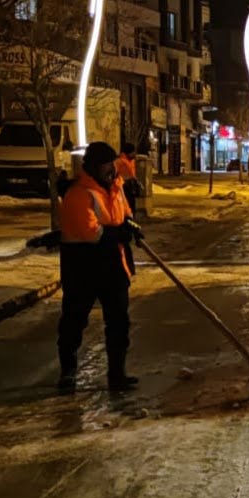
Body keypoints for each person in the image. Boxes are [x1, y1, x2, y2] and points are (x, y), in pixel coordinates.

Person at [58, 142, 144, 393]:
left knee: (119, 322)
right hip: (83, 267)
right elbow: (91, 233)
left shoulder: (115, 189)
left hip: (113, 266)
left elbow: (125, 214)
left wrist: (131, 226)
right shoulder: (79, 194)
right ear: (93, 167)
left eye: (111, 163)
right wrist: (120, 232)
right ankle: (68, 372)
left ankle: (117, 374)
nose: (111, 169)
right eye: (106, 165)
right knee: (74, 321)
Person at [115, 142, 141, 216]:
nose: (134, 154)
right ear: (128, 152)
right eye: (133, 152)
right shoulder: (119, 161)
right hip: (123, 185)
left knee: (132, 202)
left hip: (131, 185)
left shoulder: (131, 161)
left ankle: (131, 216)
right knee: (125, 202)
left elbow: (132, 173)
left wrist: (136, 180)